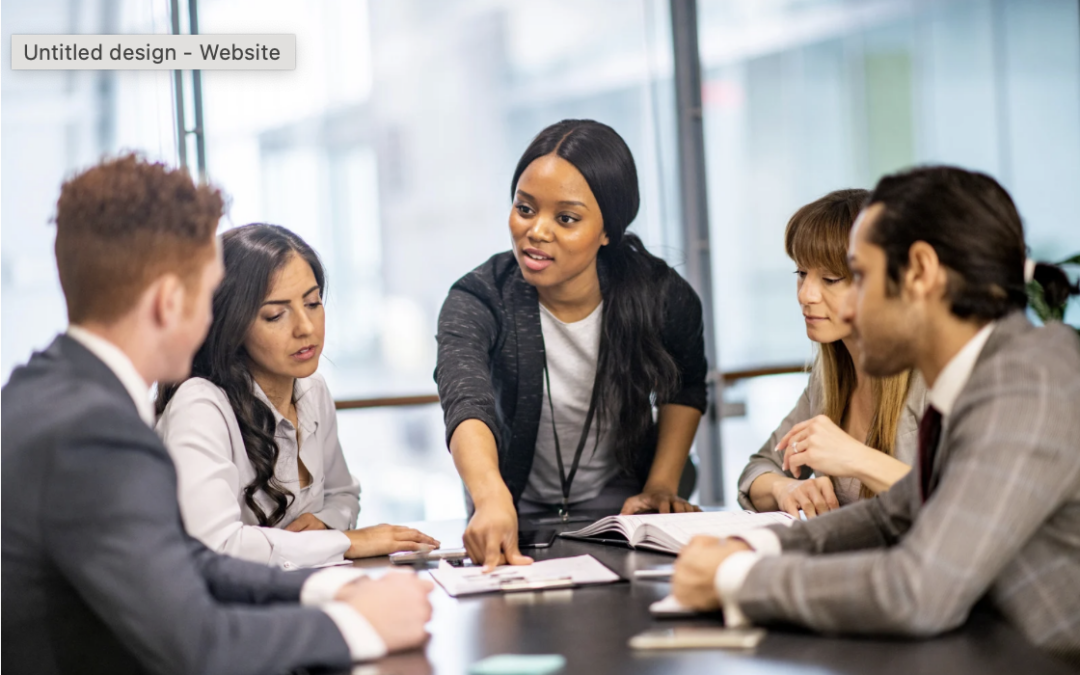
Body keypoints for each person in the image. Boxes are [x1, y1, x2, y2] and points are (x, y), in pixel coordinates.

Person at [1, 155, 433, 675]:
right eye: (209, 295)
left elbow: (188, 559)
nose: (216, 318)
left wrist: (328, 583)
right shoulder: (94, 434)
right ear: (167, 302)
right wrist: (358, 626)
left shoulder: (50, 389)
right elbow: (199, 645)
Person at [672, 166, 1080, 667]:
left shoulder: (1029, 383)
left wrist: (734, 579)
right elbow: (891, 515)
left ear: (921, 272)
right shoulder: (985, 377)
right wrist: (758, 549)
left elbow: (919, 590)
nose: (849, 309)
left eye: (858, 278)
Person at [436, 119, 708, 568]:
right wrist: (489, 496)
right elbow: (466, 400)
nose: (537, 231)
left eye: (566, 218)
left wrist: (661, 485)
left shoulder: (661, 294)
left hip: (623, 500)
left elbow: (687, 386)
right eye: (525, 209)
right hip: (511, 500)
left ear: (607, 230)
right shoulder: (479, 297)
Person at [156, 224, 438, 568]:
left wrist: (324, 525)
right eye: (276, 314)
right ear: (232, 324)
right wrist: (345, 542)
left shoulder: (312, 389)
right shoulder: (200, 404)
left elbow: (342, 495)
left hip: (297, 593)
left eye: (313, 302)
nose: (306, 327)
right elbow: (216, 544)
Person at [738, 189, 928, 517]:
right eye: (801, 273)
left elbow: (965, 505)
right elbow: (759, 470)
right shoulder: (827, 378)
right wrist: (786, 488)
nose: (806, 295)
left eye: (830, 278)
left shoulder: (932, 377)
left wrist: (855, 457)